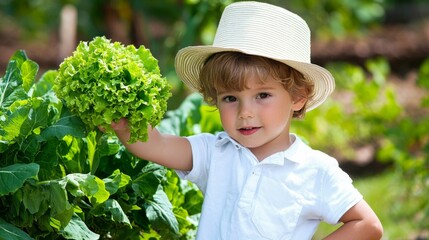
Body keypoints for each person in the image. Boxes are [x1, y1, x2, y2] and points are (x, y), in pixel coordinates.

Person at [110, 1, 383, 239]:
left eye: (262, 95)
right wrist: (123, 125)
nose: (245, 112)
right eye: (230, 98)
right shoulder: (214, 152)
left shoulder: (315, 170)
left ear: (298, 97)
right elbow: (155, 144)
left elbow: (367, 224)